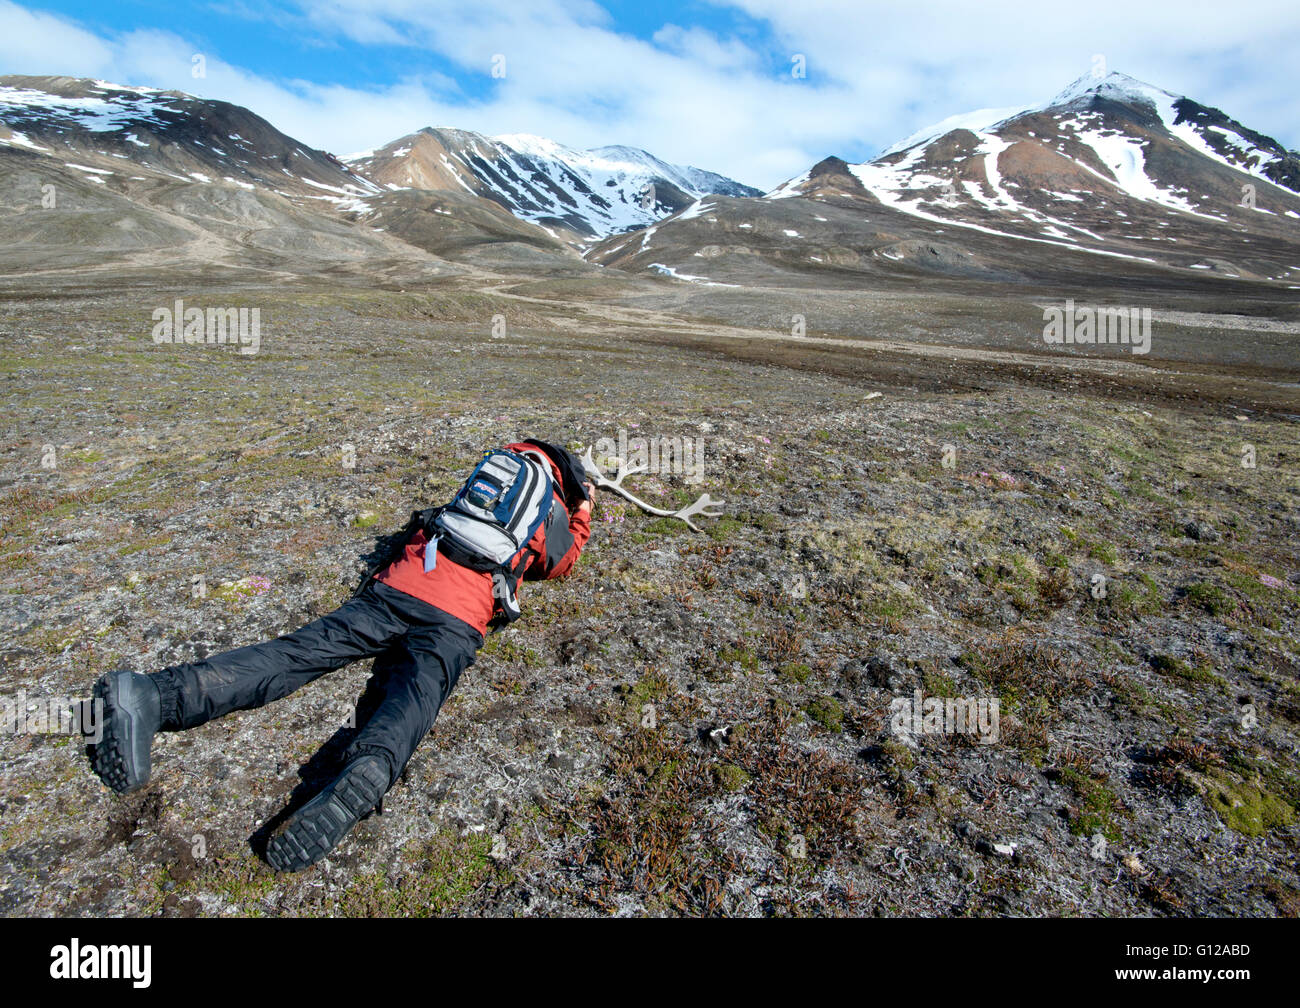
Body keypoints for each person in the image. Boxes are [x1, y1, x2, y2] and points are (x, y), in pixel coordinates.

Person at [85, 440, 594, 871]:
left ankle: (152, 695)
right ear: (565, 482)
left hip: (401, 584)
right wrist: (583, 512)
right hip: (457, 612)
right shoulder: (549, 502)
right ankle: (368, 767)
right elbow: (559, 562)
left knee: (299, 653)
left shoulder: (497, 467)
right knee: (417, 692)